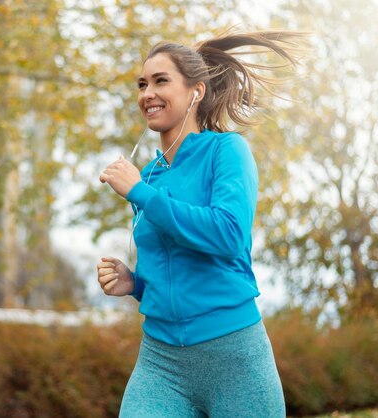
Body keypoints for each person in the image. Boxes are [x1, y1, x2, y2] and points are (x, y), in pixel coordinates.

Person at [97, 30, 306, 418]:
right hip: (160, 361)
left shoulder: (226, 151)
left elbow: (227, 235)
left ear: (196, 91)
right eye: (142, 84)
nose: (147, 94)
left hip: (233, 357)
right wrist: (135, 284)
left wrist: (141, 193)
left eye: (161, 81)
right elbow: (176, 266)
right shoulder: (149, 176)